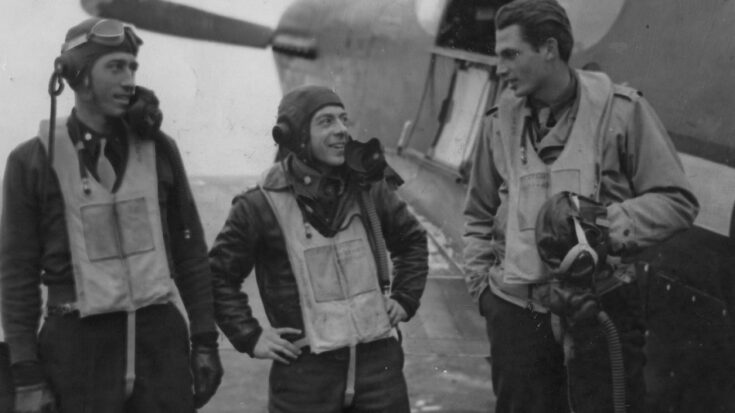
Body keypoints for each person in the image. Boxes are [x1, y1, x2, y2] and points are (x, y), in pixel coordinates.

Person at [461, 1, 699, 412]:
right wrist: (485, 293)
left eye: (511, 54)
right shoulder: (497, 123)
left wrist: (603, 225)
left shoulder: (622, 113)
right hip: (517, 316)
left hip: (600, 309)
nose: (500, 68)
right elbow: (478, 212)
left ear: (549, 48)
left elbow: (678, 200)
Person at [0, 18, 223, 412]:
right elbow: (17, 273)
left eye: (132, 68)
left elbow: (190, 251)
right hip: (76, 351)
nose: (129, 80)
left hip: (160, 348)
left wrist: (205, 340)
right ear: (78, 75)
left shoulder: (159, 149)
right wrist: (26, 374)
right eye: (115, 67)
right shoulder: (30, 161)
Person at [210, 85, 428, 412]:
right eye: (326, 121)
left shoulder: (370, 188)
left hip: (378, 369)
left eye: (343, 119)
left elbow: (412, 240)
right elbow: (217, 276)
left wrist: (404, 297)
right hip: (304, 376)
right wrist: (250, 336)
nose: (341, 130)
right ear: (296, 135)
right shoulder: (259, 204)